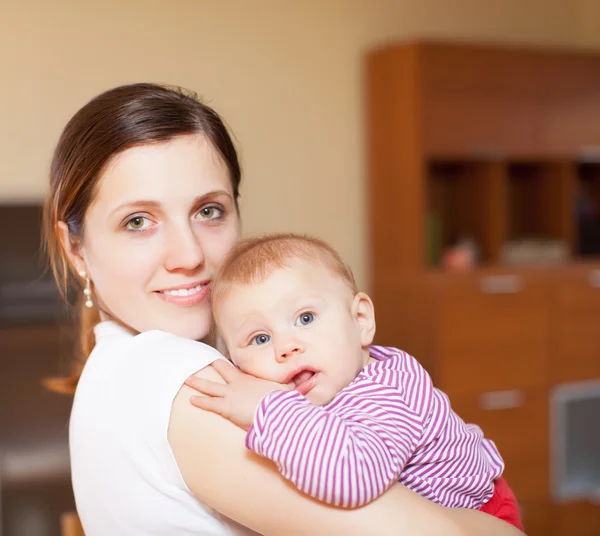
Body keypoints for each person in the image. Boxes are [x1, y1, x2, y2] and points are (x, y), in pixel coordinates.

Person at [43, 82, 525, 535]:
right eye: (138, 221)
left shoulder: (116, 364)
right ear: (75, 248)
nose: (188, 255)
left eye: (209, 211)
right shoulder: (185, 380)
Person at [184, 233, 523, 531]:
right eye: (259, 339)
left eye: (305, 318)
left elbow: (354, 477)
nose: (286, 347)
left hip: (482, 513)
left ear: (360, 320)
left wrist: (267, 409)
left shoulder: (387, 391)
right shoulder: (326, 381)